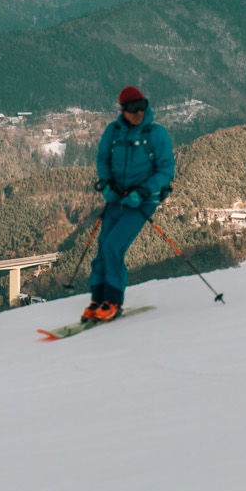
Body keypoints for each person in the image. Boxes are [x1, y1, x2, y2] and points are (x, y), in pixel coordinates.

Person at [83, 86, 175, 323]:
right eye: (133, 108)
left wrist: (144, 190)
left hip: (143, 201)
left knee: (114, 246)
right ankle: (98, 299)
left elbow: (166, 170)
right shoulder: (113, 133)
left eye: (142, 106)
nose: (138, 113)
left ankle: (113, 300)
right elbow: (102, 159)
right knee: (103, 247)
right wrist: (106, 185)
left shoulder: (156, 134)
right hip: (119, 199)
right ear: (123, 110)